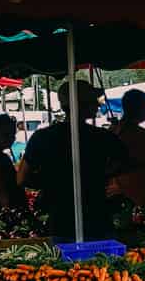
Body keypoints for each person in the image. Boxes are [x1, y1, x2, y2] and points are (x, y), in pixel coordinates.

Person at [19, 80, 123, 239]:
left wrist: (52, 183)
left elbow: (22, 178)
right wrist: (97, 176)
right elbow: (123, 164)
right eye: (93, 101)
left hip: (57, 215)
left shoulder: (42, 137)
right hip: (96, 214)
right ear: (82, 104)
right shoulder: (103, 137)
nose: (97, 105)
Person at [111, 89, 145, 209]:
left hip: (118, 191)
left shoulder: (113, 130)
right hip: (134, 193)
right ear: (137, 108)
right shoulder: (139, 134)